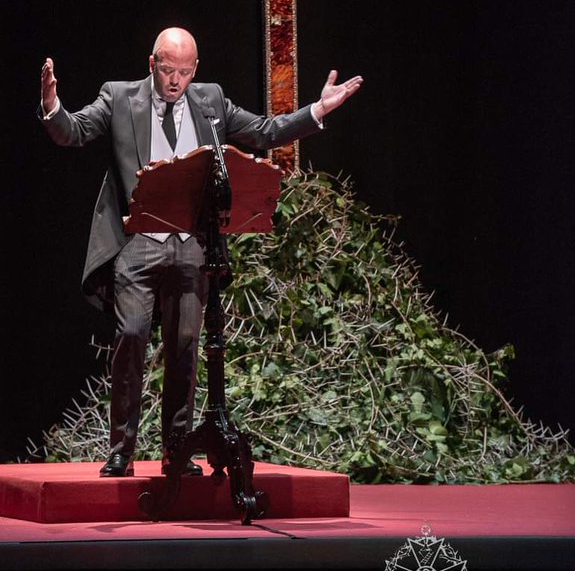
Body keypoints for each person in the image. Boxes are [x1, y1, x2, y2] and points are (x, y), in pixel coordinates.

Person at [39, 27, 362, 478]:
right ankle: (121, 450)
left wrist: (317, 110)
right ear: (152, 65)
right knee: (131, 336)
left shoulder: (210, 102)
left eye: (184, 72)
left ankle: (177, 449)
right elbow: (73, 132)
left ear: (196, 70)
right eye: (168, 70)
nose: (175, 81)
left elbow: (264, 132)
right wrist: (53, 106)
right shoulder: (119, 97)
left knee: (186, 347)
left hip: (192, 244)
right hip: (138, 242)